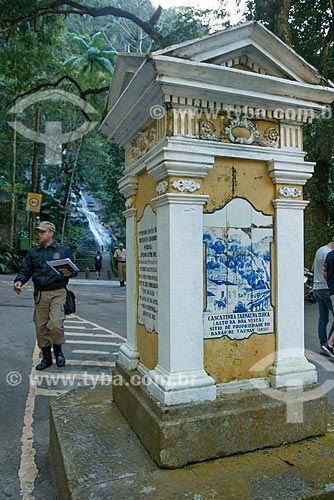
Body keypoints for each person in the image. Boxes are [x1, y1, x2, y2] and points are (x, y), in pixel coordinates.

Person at [13, 221, 78, 370]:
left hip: (58, 292)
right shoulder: (33, 252)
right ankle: (46, 357)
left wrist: (69, 272)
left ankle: (59, 352)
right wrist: (19, 281)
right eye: (39, 232)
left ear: (51, 233)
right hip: (40, 294)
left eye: (42, 231)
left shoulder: (63, 250)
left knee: (55, 324)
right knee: (40, 327)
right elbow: (26, 269)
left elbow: (73, 271)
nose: (39, 234)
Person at [312, 238, 334, 356]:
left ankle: (323, 344)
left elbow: (313, 269)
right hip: (326, 288)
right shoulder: (329, 254)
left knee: (323, 318)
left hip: (316, 288)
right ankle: (329, 345)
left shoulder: (320, 250)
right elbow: (327, 272)